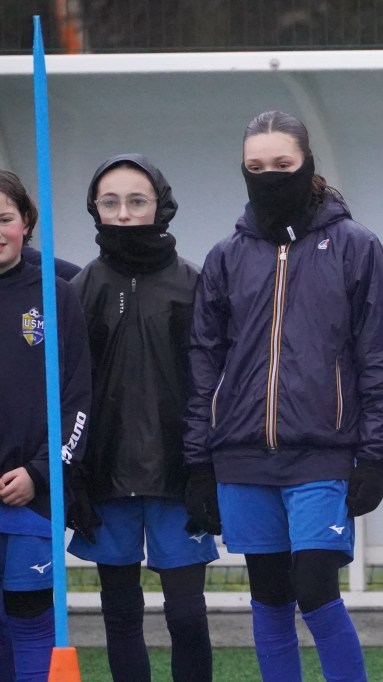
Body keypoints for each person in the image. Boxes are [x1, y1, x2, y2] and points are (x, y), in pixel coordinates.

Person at [184, 111, 383, 682]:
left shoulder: (356, 246)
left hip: (321, 453)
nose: (269, 177)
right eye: (255, 167)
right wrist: (199, 462)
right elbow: (204, 365)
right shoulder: (225, 257)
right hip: (241, 457)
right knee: (268, 595)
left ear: (308, 164)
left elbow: (380, 357)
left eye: (282, 165)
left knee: (314, 588)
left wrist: (376, 457)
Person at [66, 154, 219, 682]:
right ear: (95, 208)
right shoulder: (80, 289)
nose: (125, 213)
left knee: (187, 615)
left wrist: (205, 468)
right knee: (120, 615)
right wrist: (72, 471)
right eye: (111, 202)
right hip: (105, 477)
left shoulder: (195, 284)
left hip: (179, 476)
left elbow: (212, 385)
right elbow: (68, 391)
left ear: (161, 204)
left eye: (137, 201)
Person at [0, 170, 91, 681]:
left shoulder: (56, 296)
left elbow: (77, 401)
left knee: (31, 618)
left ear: (26, 223)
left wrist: (40, 471)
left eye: (4, 218)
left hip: (33, 495)